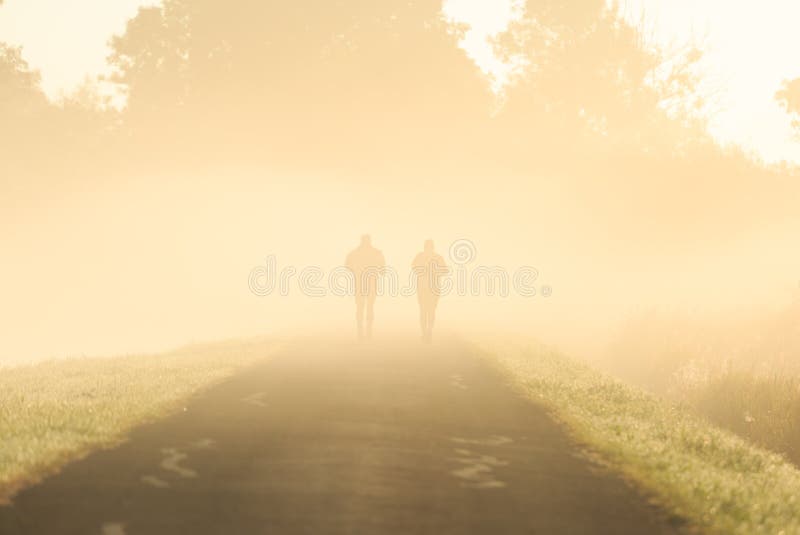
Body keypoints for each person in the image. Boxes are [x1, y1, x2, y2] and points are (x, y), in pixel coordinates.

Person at [345, 235, 386, 340]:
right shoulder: (377, 253)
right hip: (372, 283)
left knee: (360, 307)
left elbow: (347, 266)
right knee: (370, 307)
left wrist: (355, 272)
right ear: (370, 241)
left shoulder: (354, 253)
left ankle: (360, 331)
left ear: (361, 241)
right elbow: (383, 270)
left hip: (359, 283)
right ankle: (369, 331)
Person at [412, 240, 449, 342]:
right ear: (433, 247)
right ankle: (428, 331)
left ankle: (425, 332)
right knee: (431, 310)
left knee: (424, 310)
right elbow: (445, 270)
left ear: (425, 247)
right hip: (434, 289)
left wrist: (423, 271)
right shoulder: (438, 257)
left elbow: (414, 268)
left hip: (423, 288)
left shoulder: (420, 256)